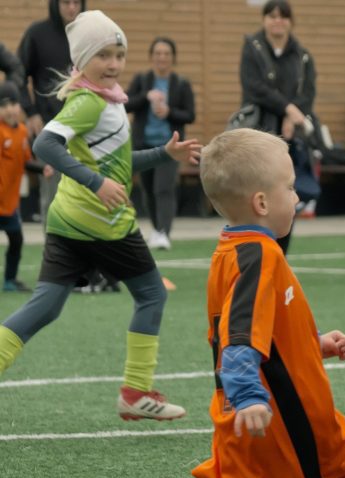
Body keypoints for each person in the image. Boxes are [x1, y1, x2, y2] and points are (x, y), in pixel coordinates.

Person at [153, 128, 345, 478]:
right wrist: (250, 394)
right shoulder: (261, 255)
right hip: (282, 417)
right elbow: (237, 337)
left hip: (249, 416)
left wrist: (314, 343)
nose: (297, 197)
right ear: (261, 202)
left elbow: (263, 326)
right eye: (290, 187)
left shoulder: (231, 250)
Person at [0, 10, 200, 421]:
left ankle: (135, 393)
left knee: (45, 307)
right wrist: (96, 183)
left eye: (119, 54)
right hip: (104, 223)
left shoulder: (105, 100)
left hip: (67, 221)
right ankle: (135, 392)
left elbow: (119, 162)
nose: (113, 64)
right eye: (103, 55)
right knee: (152, 294)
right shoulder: (90, 102)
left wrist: (164, 154)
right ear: (82, 60)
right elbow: (45, 145)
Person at [239, 0, 318, 249]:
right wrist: (288, 108)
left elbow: (308, 93)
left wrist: (291, 116)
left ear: (291, 21)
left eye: (283, 16)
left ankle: (279, 256)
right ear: (264, 20)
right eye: (272, 16)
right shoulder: (252, 48)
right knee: (254, 198)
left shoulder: (302, 56)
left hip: (290, 138)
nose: (277, 21)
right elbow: (255, 88)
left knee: (285, 198)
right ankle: (253, 253)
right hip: (258, 135)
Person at [16, 0, 85, 223]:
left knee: (86, 194)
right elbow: (18, 75)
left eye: (76, 2)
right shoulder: (37, 34)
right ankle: (52, 245)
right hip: (50, 126)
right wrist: (31, 112)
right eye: (66, 2)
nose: (72, 7)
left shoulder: (89, 33)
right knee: (54, 194)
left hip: (86, 124)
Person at [126, 37, 196, 251]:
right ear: (151, 57)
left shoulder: (181, 84)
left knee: (163, 188)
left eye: (166, 54)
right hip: (143, 145)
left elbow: (190, 115)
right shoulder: (142, 80)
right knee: (147, 189)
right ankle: (157, 230)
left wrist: (169, 112)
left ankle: (164, 232)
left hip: (170, 147)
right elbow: (126, 104)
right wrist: (145, 96)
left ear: (173, 58)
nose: (162, 57)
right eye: (158, 53)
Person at [0, 81, 37, 292]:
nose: (9, 109)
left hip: (9, 203)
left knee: (16, 240)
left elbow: (27, 161)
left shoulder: (22, 131)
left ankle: (10, 280)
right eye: (3, 105)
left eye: (13, 103)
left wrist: (45, 168)